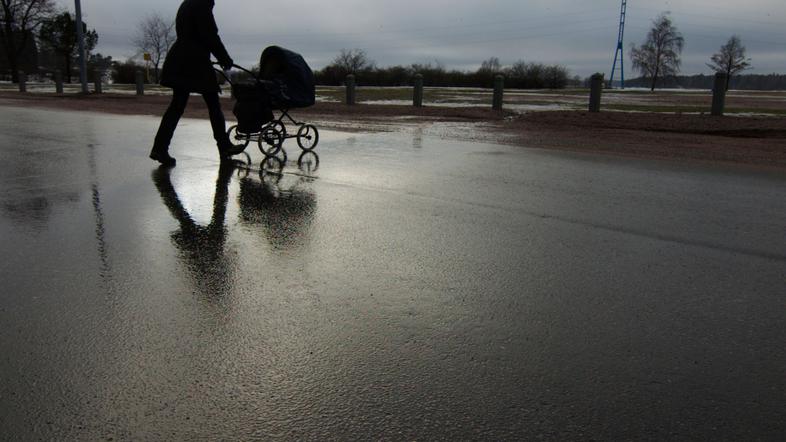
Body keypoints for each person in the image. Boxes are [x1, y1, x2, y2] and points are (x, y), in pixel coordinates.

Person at [150, 0, 243, 166]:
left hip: (180, 57)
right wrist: (224, 58)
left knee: (177, 106)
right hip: (195, 61)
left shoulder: (188, 3)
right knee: (213, 103)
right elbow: (209, 34)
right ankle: (224, 146)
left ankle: (159, 148)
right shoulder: (202, 4)